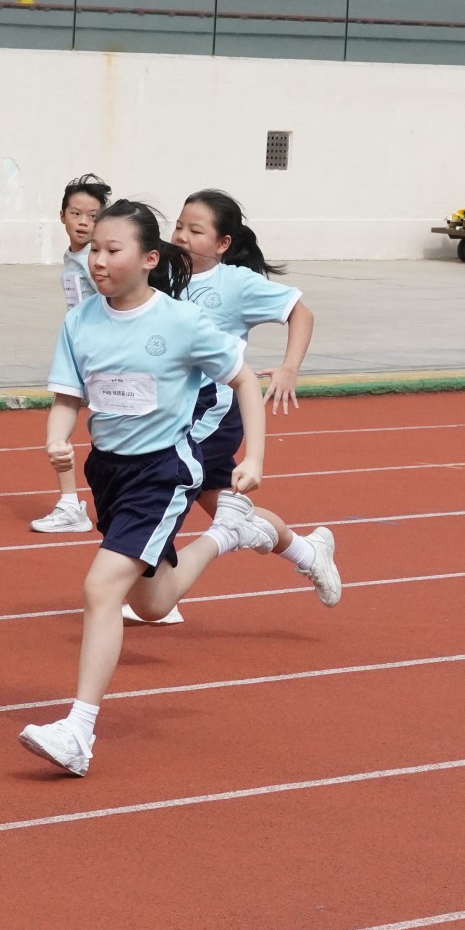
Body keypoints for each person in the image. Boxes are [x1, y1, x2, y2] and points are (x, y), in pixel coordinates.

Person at [17, 200, 275, 777]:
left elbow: (244, 380)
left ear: (149, 259)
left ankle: (78, 731)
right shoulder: (80, 321)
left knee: (101, 587)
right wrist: (57, 437)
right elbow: (68, 396)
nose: (98, 261)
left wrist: (253, 456)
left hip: (163, 471)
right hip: (109, 471)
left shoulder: (180, 322)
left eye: (113, 250)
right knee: (152, 603)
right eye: (94, 250)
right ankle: (229, 532)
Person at [120, 189, 339, 626]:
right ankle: (308, 551)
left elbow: (302, 313)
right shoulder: (162, 271)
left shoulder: (235, 283)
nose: (181, 236)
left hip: (208, 416)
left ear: (222, 243)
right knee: (224, 502)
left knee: (162, 485)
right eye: (179, 226)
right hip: (171, 410)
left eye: (195, 230)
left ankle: (162, 585)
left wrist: (289, 368)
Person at [31, 173, 114, 535]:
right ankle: (69, 503)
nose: (83, 222)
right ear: (62, 215)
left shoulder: (96, 260)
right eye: (76, 213)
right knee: (61, 418)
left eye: (93, 216)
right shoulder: (73, 256)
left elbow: (112, 300)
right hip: (79, 349)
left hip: (102, 352)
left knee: (110, 426)